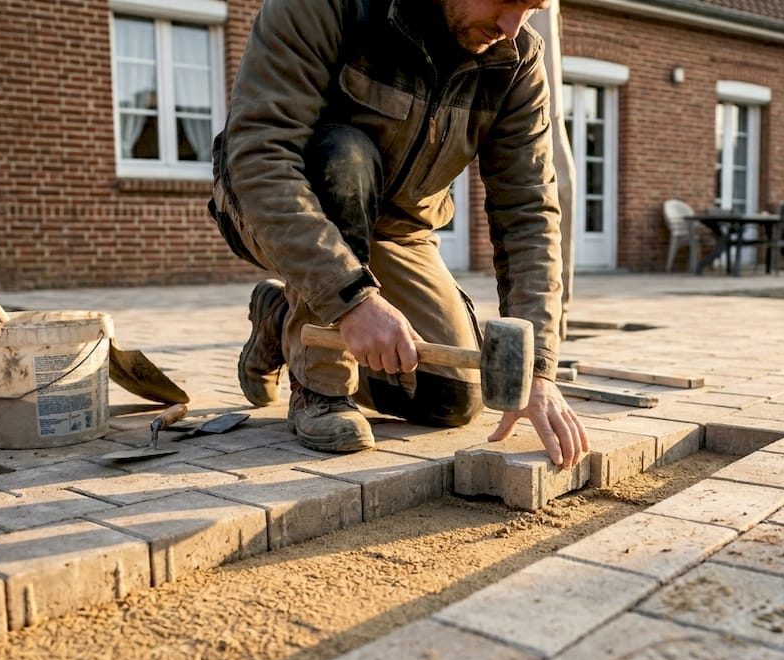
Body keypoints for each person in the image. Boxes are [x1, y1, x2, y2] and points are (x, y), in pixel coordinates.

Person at [210, 0, 589, 469]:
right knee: (345, 155)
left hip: (402, 229)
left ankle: (280, 320)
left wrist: (535, 368)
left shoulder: (516, 58)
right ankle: (321, 387)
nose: (513, 27)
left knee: (455, 396)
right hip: (280, 198)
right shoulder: (330, 7)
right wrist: (352, 300)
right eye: (506, 0)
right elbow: (262, 157)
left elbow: (527, 209)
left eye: (530, 8)